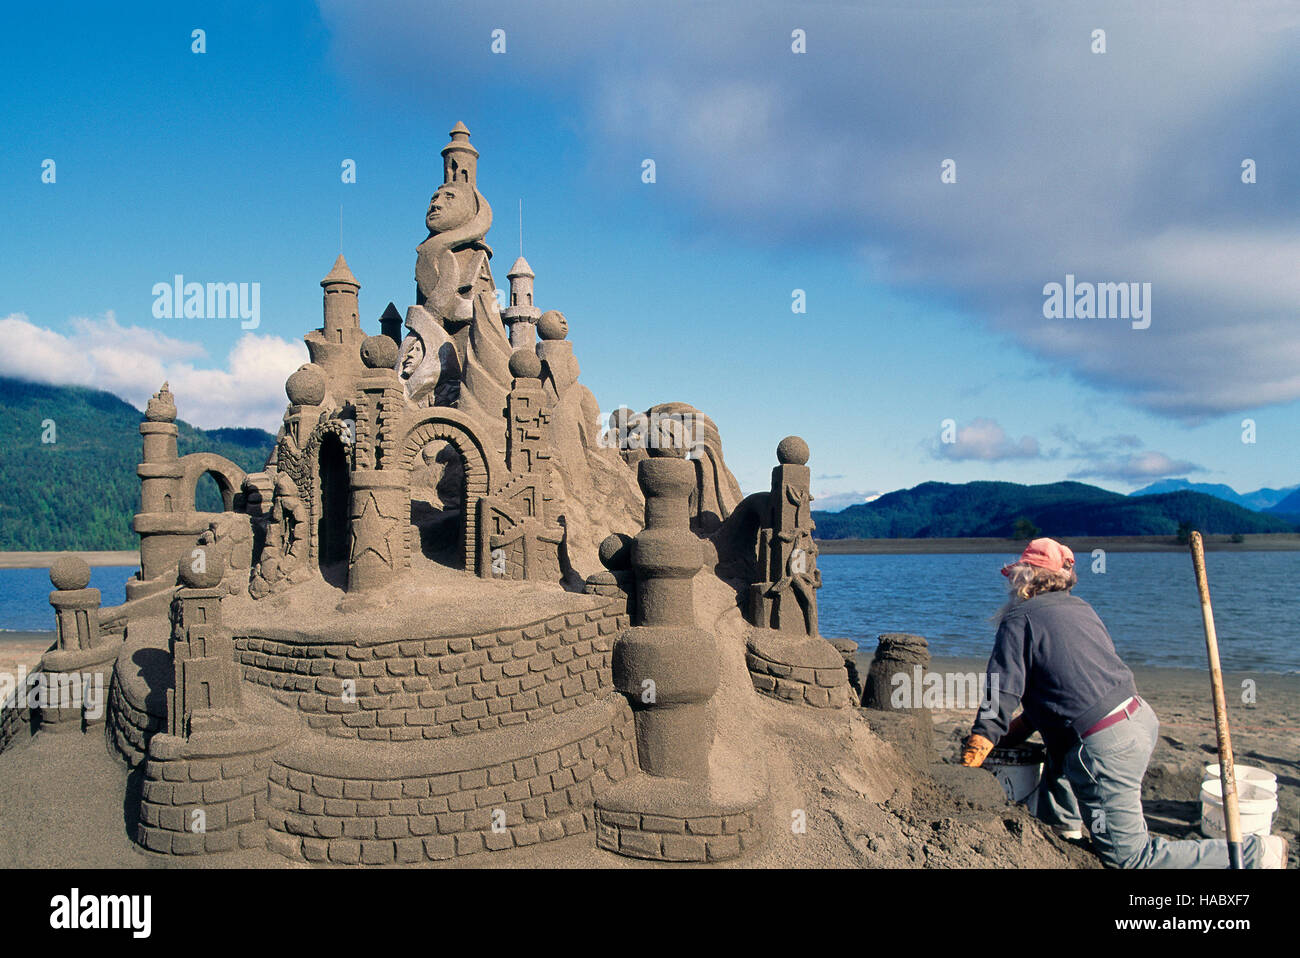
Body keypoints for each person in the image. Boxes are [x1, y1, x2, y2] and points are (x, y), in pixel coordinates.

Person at [961, 537, 1286, 869]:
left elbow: (1001, 690)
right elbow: (1067, 689)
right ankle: (1062, 836)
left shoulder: (1019, 618)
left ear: (1025, 576)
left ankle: (1256, 855)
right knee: (1059, 764)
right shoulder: (1080, 610)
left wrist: (981, 741)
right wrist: (1012, 734)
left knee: (1131, 859)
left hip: (1104, 744)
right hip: (1136, 718)